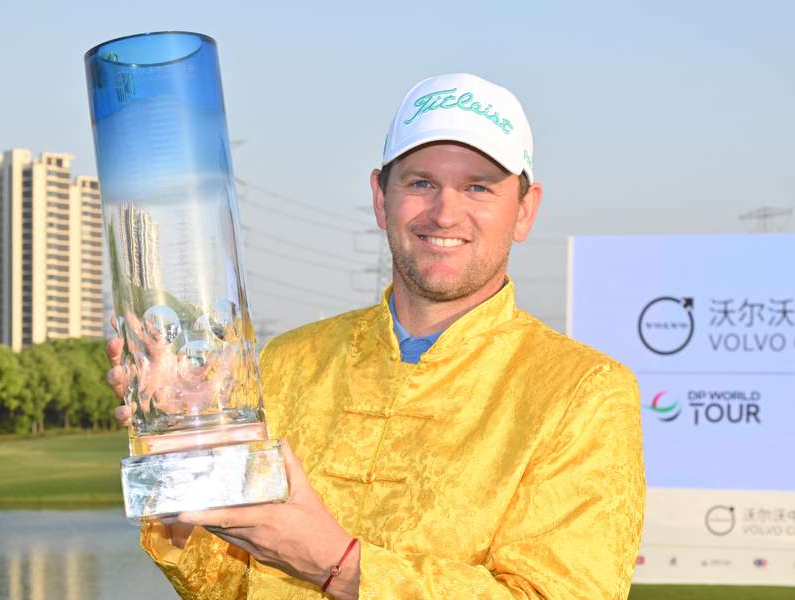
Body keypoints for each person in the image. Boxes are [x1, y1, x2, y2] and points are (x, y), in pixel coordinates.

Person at [107, 73, 645, 599]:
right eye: (420, 182)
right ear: (380, 197)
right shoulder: (287, 361)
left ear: (524, 210)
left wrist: (339, 565)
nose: (444, 211)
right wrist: (186, 443)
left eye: (478, 186)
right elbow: (225, 585)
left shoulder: (585, 392)